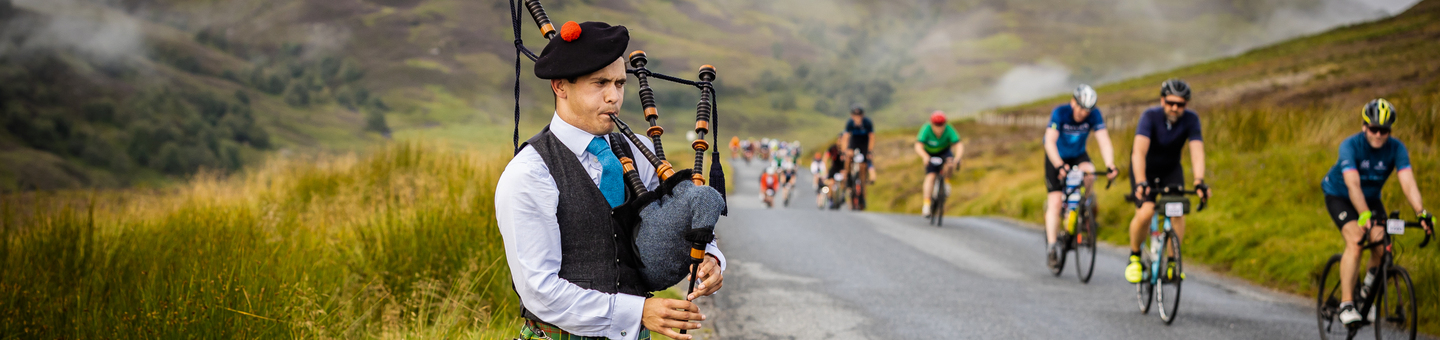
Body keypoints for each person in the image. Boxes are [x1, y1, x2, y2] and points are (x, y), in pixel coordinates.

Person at [495, 21, 724, 340]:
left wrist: (709, 254)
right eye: (600, 83)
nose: (613, 97)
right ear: (560, 86)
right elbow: (539, 290)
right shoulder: (530, 173)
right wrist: (637, 312)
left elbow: (674, 219)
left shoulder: (638, 152)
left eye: (619, 83)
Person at [1322, 99, 1435, 325]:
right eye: (1373, 129)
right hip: (1341, 196)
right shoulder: (1350, 146)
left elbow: (1408, 182)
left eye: (1384, 130)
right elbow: (1353, 185)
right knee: (1356, 240)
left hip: (1371, 199)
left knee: (1383, 244)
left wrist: (1421, 212)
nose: (1378, 134)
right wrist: (1364, 216)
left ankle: (1366, 293)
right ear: (1364, 126)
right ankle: (1346, 304)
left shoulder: (1396, 148)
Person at [1125, 79, 1209, 284]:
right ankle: (1134, 257)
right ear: (1162, 100)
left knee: (1177, 210)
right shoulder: (1150, 117)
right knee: (1145, 212)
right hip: (1145, 168)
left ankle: (1173, 263)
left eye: (1180, 104)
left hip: (1171, 170)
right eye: (1171, 102)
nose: (1174, 107)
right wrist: (1141, 182)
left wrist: (1199, 181)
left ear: (1186, 105)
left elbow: (1197, 152)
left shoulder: (1191, 119)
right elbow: (1138, 153)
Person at [1042, 85, 1118, 267]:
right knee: (1055, 202)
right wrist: (1059, 164)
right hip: (1056, 156)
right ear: (1073, 102)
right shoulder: (1060, 113)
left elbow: (1104, 140)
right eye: (1081, 108)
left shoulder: (1094, 115)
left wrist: (1110, 165)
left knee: (1090, 174)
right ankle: (1052, 247)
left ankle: (1084, 206)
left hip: (1078, 155)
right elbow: (1049, 141)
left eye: (1088, 110)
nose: (1084, 113)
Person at [914, 111, 964, 218]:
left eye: (941, 125)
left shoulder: (949, 129)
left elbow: (958, 145)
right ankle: (926, 205)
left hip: (944, 152)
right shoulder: (926, 129)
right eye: (936, 125)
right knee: (930, 177)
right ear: (931, 124)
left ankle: (946, 183)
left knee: (950, 164)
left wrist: (958, 158)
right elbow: (918, 145)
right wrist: (924, 156)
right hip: (930, 153)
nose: (939, 128)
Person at [841, 105, 876, 209]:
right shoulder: (850, 123)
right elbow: (846, 137)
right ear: (852, 116)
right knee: (849, 157)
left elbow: (872, 137)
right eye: (855, 115)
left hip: (864, 144)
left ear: (862, 115)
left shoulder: (867, 123)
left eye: (859, 115)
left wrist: (869, 151)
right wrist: (845, 150)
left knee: (863, 167)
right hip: (854, 142)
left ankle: (863, 191)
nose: (857, 117)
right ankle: (847, 176)